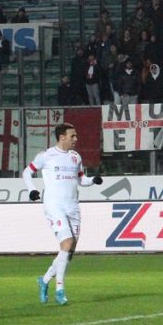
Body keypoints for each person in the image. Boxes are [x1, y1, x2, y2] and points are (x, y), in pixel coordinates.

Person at [22, 124, 102, 305]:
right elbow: (27, 172)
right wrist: (31, 190)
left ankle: (44, 280)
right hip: (54, 205)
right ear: (62, 137)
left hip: (72, 207)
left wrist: (93, 180)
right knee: (66, 242)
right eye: (73, 136)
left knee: (68, 252)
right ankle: (60, 290)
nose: (76, 139)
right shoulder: (46, 155)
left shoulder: (75, 157)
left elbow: (81, 179)